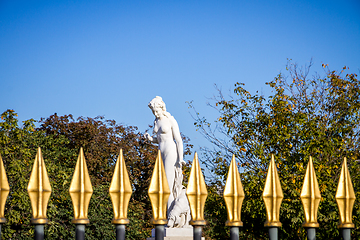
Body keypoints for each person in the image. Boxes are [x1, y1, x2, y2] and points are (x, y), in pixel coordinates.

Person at [144, 96, 186, 216]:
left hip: (170, 151)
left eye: (156, 111)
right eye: (153, 112)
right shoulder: (156, 121)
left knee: (168, 184)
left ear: (161, 108)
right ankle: (165, 215)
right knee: (162, 185)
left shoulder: (170, 120)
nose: (155, 113)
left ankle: (171, 216)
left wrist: (180, 158)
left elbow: (178, 140)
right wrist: (150, 139)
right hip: (160, 151)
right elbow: (158, 139)